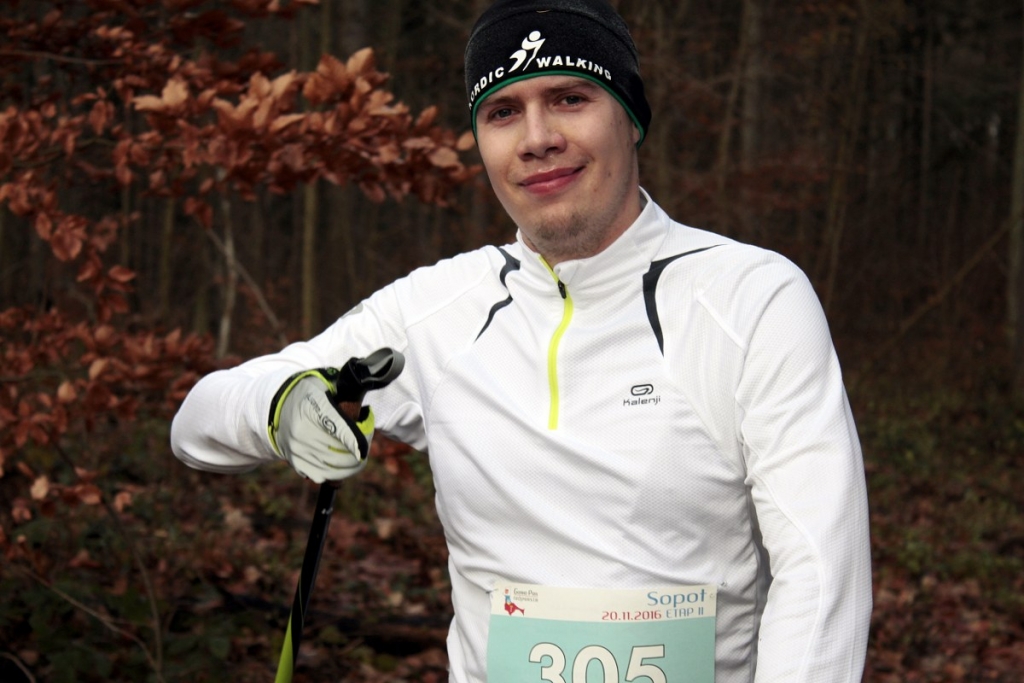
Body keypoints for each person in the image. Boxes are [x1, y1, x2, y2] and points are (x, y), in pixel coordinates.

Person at [170, 1, 873, 681]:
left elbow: (820, 572)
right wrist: (283, 408)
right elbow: (199, 421)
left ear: (630, 117)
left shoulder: (750, 298)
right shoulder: (439, 310)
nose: (537, 138)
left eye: (570, 98)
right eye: (503, 111)